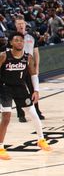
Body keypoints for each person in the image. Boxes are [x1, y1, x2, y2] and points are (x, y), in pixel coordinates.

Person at [0, 31, 52, 159]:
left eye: (21, 41)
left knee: (34, 115)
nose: (19, 43)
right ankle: (0, 147)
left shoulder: (28, 57)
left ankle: (41, 140)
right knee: (6, 117)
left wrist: (36, 90)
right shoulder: (3, 56)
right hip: (5, 88)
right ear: (11, 42)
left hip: (20, 88)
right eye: (17, 40)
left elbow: (33, 74)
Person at [13, 17, 44, 122]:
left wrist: (37, 66)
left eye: (22, 23)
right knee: (17, 91)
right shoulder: (12, 37)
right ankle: (20, 114)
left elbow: (36, 53)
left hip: (29, 67)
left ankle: (37, 111)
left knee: (33, 89)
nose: (21, 25)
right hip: (17, 67)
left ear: (25, 25)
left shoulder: (31, 36)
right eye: (19, 24)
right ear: (15, 25)